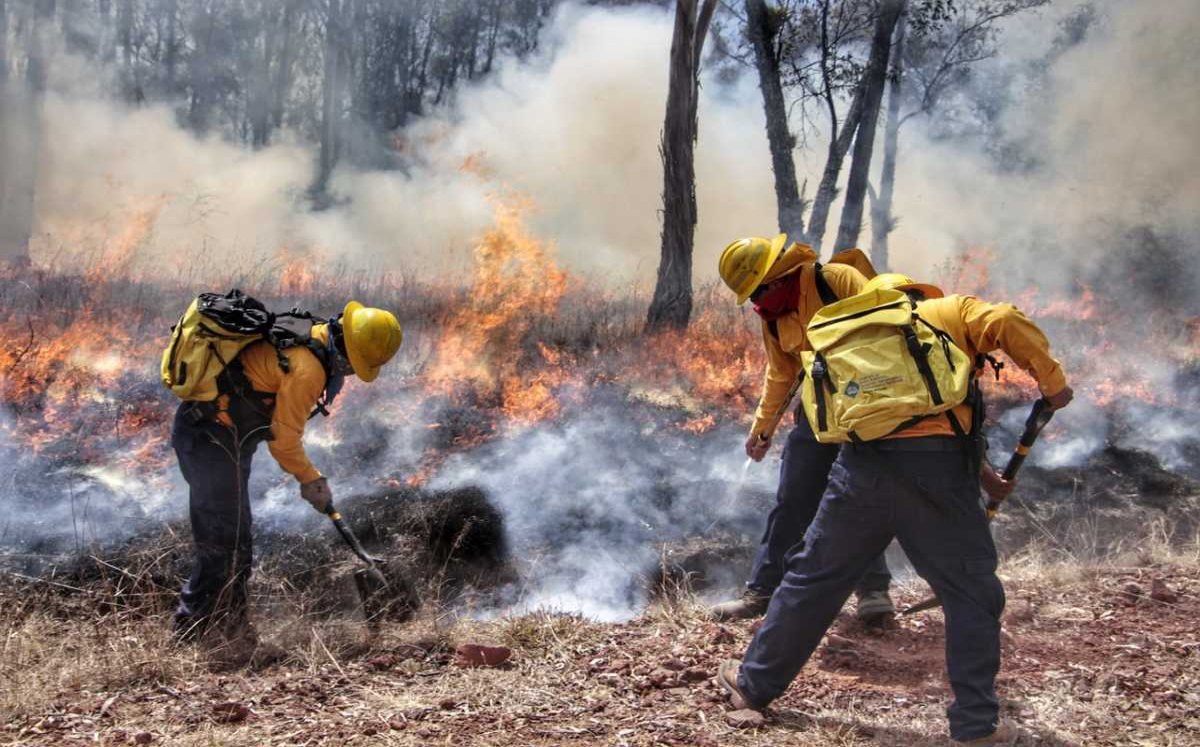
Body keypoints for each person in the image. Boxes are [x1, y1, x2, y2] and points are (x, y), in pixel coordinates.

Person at [717, 273, 1074, 745]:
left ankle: (753, 684)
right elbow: (1003, 323)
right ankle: (976, 726)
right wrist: (1053, 383)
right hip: (938, 477)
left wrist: (987, 477)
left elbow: (903, 416)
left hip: (859, 470)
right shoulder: (946, 313)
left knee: (814, 576)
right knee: (970, 591)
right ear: (920, 296)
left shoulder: (851, 333)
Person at [171, 300, 402, 660]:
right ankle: (190, 638)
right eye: (355, 367)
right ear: (347, 354)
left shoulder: (314, 335)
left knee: (236, 541)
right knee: (222, 544)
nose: (352, 374)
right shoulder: (309, 369)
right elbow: (283, 441)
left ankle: (232, 632)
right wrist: (311, 480)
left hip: (223, 438)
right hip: (208, 438)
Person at [712, 235, 896, 622]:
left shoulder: (837, 280)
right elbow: (781, 373)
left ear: (780, 275)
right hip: (816, 415)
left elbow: (888, 331)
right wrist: (763, 427)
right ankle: (763, 591)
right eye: (751, 296)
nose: (756, 303)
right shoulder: (773, 316)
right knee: (792, 499)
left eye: (759, 290)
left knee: (858, 496)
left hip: (866, 410)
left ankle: (873, 592)